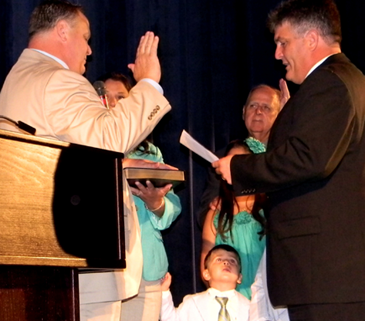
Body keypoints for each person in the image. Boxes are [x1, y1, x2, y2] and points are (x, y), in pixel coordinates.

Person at [0, 1, 172, 320]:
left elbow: (61, 159)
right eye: (86, 37)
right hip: (81, 264)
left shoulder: (15, 80)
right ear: (62, 31)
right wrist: (148, 83)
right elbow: (107, 140)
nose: (90, 50)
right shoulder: (58, 79)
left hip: (47, 261)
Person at [212, 0, 365, 319]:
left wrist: (238, 167)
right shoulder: (343, 80)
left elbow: (308, 158)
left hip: (325, 273)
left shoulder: (329, 83)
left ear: (310, 38)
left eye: (283, 42)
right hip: (329, 274)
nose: (277, 54)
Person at [101, 72, 182, 321]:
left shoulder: (151, 154)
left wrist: (155, 202)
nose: (114, 104)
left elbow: (171, 209)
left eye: (121, 97)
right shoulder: (88, 145)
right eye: (107, 97)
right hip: (104, 267)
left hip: (147, 268)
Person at [197, 83, 285, 228]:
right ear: (243, 112)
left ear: (279, 115)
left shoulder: (285, 156)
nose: (258, 112)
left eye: (266, 107)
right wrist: (217, 207)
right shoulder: (222, 157)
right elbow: (203, 214)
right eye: (253, 106)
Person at [201, 139, 266, 300]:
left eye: (241, 163)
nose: (235, 170)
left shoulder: (272, 209)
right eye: (230, 164)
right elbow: (206, 269)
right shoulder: (215, 214)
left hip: (268, 300)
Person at [160, 244, 250, 321]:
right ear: (206, 274)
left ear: (239, 277)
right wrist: (164, 291)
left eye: (232, 261)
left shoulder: (250, 307)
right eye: (219, 260)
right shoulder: (192, 303)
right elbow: (170, 318)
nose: (226, 262)